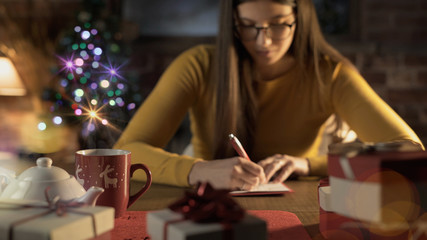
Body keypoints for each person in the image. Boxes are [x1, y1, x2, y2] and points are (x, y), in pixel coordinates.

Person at [114, 0, 424, 190]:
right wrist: (198, 169)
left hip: (295, 208)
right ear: (232, 23)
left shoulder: (329, 75)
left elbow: (410, 151)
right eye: (248, 26)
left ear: (299, 20)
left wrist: (307, 164)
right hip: (207, 209)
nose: (263, 41)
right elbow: (125, 151)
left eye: (278, 26)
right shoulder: (198, 64)